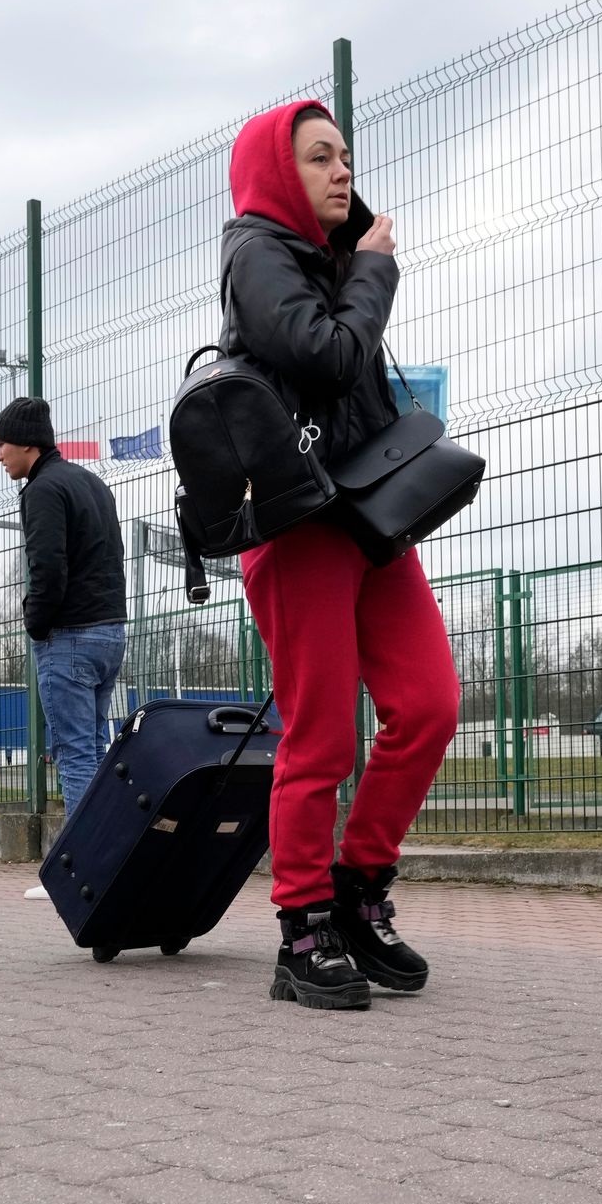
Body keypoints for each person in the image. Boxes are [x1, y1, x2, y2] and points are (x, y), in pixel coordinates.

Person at [220, 100, 461, 1010]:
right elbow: (325, 356)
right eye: (319, 158)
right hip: (297, 526)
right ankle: (303, 928)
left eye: (346, 157)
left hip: (364, 518)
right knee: (319, 735)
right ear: (279, 174)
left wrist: (357, 265)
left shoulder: (328, 261)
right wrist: (374, 269)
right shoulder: (256, 253)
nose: (341, 171)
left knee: (430, 704)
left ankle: (359, 891)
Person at [0, 397, 127, 899]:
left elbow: (47, 567)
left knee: (74, 755)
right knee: (93, 749)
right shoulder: (90, 482)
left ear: (28, 444)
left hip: (69, 637)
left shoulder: (42, 489)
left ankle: (80, 871)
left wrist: (35, 623)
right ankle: (109, 859)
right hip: (109, 631)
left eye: (3, 444)